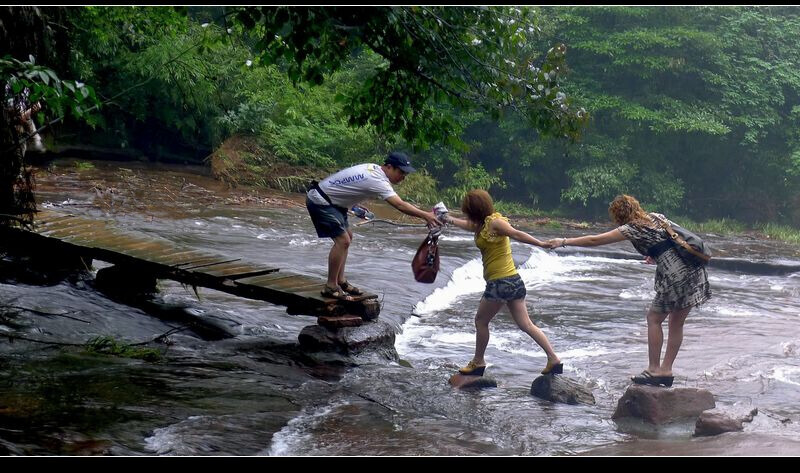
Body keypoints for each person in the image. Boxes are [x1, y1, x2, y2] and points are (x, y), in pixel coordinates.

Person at [546, 194, 711, 387]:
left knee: (654, 319)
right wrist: (654, 254)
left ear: (618, 215)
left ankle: (653, 369)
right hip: (694, 270)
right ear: (636, 206)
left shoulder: (632, 228)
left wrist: (563, 241)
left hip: (676, 276)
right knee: (676, 323)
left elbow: (594, 240)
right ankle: (666, 370)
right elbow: (672, 240)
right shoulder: (656, 217)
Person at [443, 189, 562, 377]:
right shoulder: (481, 224)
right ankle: (553, 358)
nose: (467, 215)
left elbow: (516, 234)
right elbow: (467, 225)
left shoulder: (495, 222)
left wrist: (540, 244)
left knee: (481, 321)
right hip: (513, 281)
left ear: (475, 209)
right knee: (526, 325)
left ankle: (478, 362)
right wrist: (447, 218)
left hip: (500, 283)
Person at [306, 151, 441, 301]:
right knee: (343, 241)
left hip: (334, 202)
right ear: (389, 167)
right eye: (401, 172)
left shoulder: (374, 169)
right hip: (322, 201)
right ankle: (331, 286)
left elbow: (351, 185)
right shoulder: (376, 179)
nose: (403, 177)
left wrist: (354, 206)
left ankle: (341, 281)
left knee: (348, 237)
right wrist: (426, 215)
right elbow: (400, 205)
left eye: (405, 174)